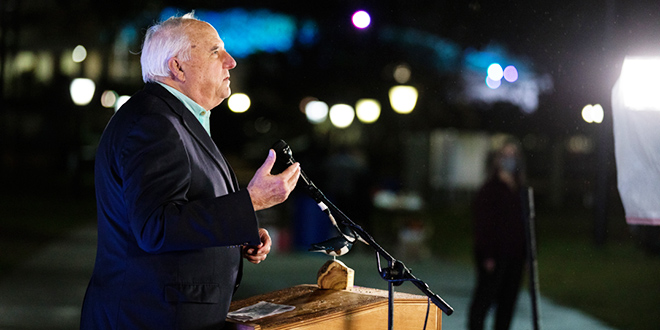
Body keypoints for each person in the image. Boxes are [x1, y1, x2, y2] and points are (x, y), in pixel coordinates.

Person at [80, 13, 301, 329]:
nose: (231, 61)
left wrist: (237, 231)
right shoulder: (154, 124)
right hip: (147, 317)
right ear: (177, 66)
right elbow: (156, 227)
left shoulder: (171, 118)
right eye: (215, 51)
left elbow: (182, 210)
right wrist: (249, 202)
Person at [468, 140, 527, 330]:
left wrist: (527, 254)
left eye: (513, 155)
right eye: (505, 155)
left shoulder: (521, 190)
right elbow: (484, 225)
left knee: (507, 303)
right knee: (484, 299)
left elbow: (526, 224)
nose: (510, 160)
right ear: (497, 159)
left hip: (515, 255)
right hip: (494, 255)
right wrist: (487, 255)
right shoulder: (490, 190)